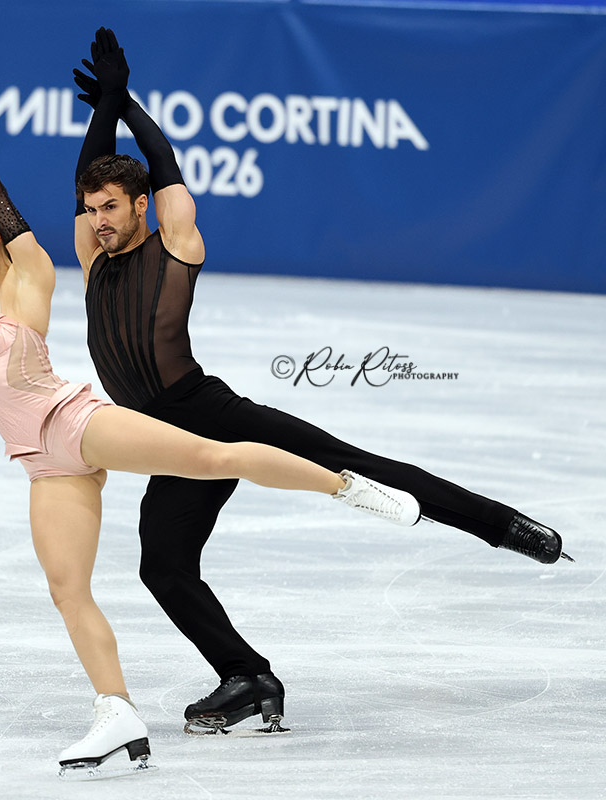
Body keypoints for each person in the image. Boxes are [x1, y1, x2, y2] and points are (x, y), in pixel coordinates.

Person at [0, 63, 421, 775]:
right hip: (39, 462)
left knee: (215, 454)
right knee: (67, 591)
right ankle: (117, 713)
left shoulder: (28, 277)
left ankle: (349, 487)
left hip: (74, 423)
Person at [71, 29, 573, 736]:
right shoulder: (92, 258)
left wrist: (125, 104)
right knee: (163, 565)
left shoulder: (176, 242)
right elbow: (87, 174)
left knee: (357, 464)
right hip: (165, 443)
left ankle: (504, 527)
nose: (99, 221)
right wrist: (108, 105)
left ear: (141, 206)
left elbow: (166, 165)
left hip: (209, 413)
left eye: (112, 208)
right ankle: (247, 676)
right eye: (92, 210)